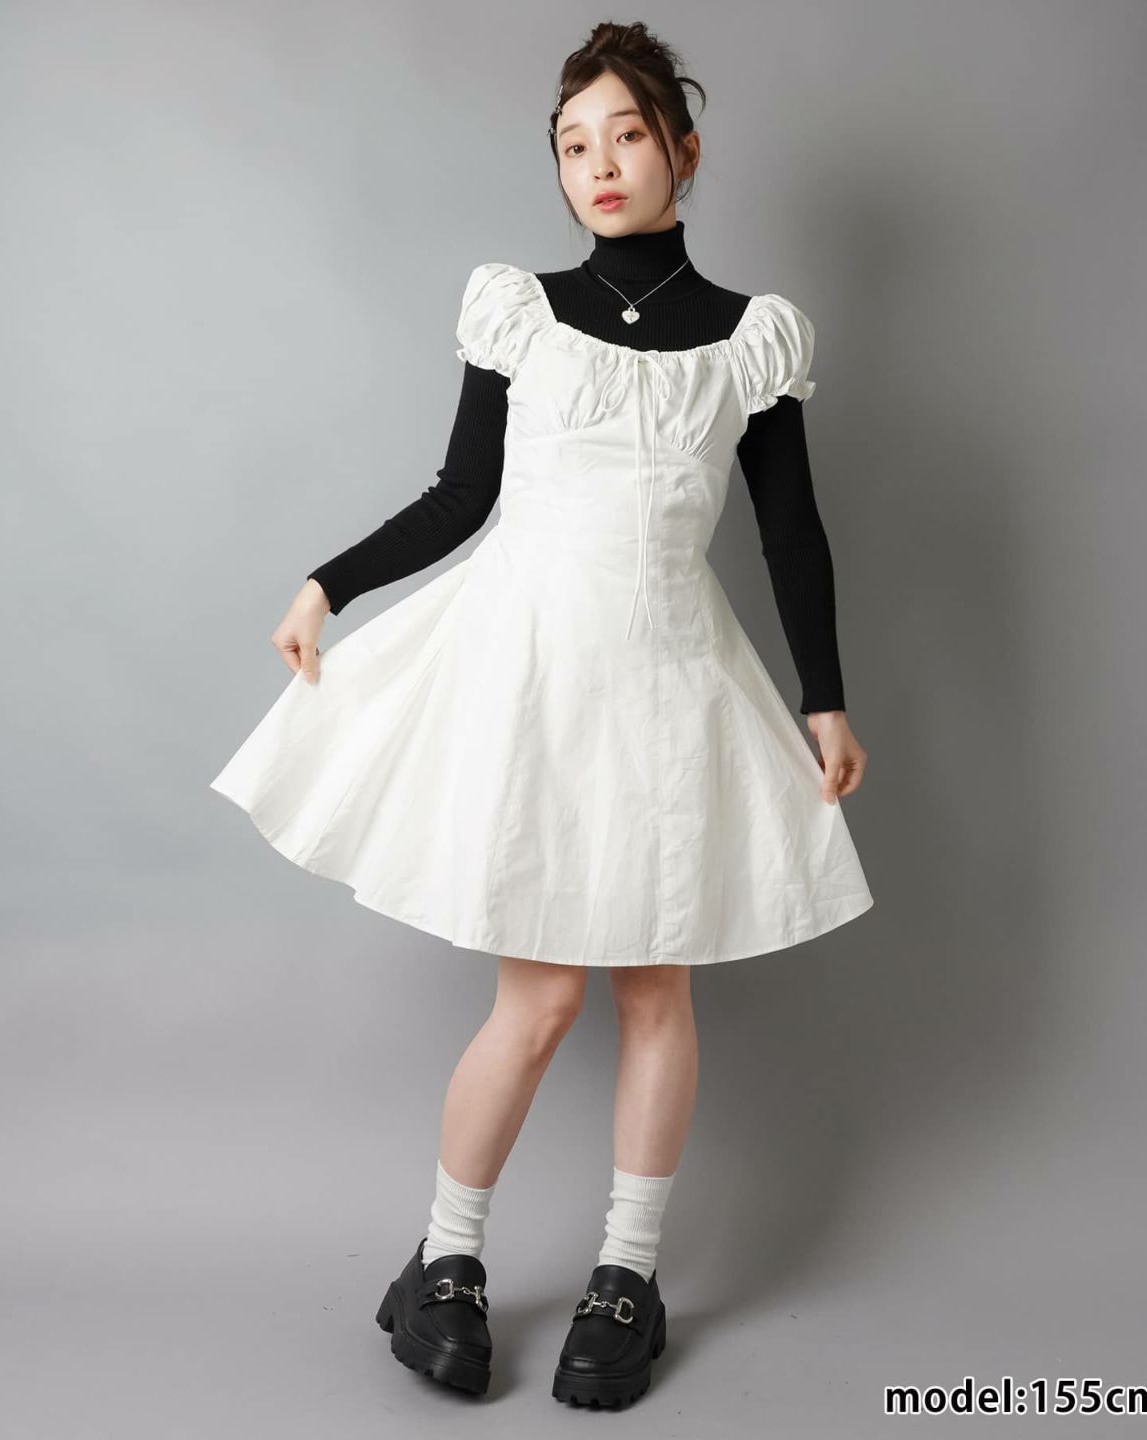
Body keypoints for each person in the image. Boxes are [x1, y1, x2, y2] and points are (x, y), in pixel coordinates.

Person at [210, 20, 874, 1410]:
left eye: (627, 134)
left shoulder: (752, 340)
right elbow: (464, 495)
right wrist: (328, 583)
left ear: (683, 148)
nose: (600, 164)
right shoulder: (520, 310)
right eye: (574, 145)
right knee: (540, 996)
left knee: (655, 986)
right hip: (530, 673)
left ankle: (627, 1277)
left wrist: (824, 698)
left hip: (672, 677)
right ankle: (443, 1260)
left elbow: (792, 532)